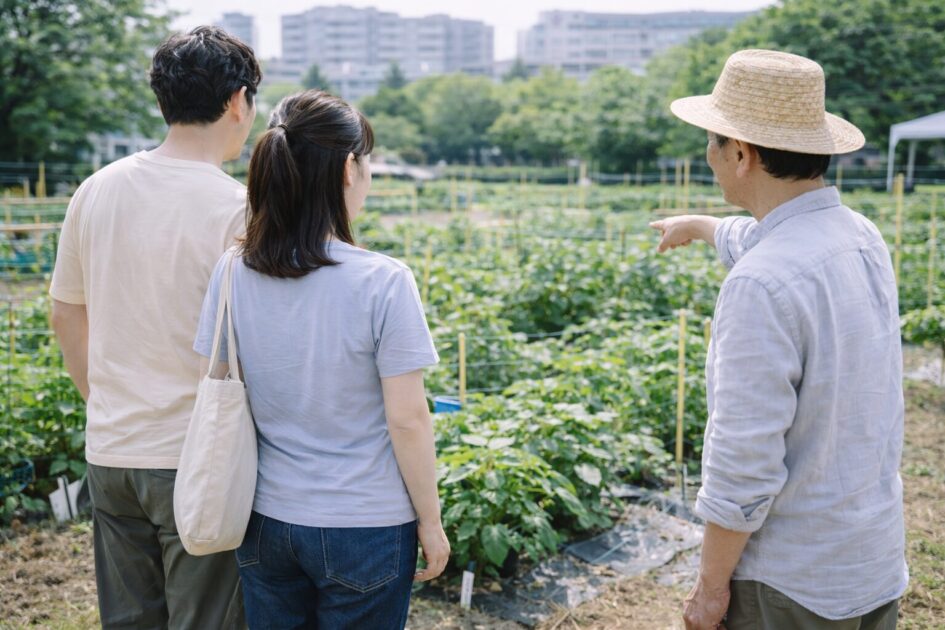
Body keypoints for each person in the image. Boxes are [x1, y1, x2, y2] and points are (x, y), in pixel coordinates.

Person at [650, 49, 907, 630]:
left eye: (712, 142)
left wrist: (710, 589)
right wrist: (699, 225)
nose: (708, 157)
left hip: (789, 583)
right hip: (869, 561)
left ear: (741, 153)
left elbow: (744, 462)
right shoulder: (859, 236)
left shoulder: (760, 285)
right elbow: (763, 239)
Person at [193, 90, 450, 629]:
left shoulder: (234, 269)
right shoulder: (384, 281)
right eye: (368, 160)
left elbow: (217, 381)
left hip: (266, 520)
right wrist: (431, 521)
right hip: (366, 525)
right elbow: (408, 418)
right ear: (347, 170)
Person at [50, 26, 260, 628]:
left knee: (128, 620)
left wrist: (103, 398)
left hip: (112, 450)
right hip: (195, 456)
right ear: (238, 102)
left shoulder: (96, 190)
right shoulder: (238, 208)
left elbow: (66, 312)